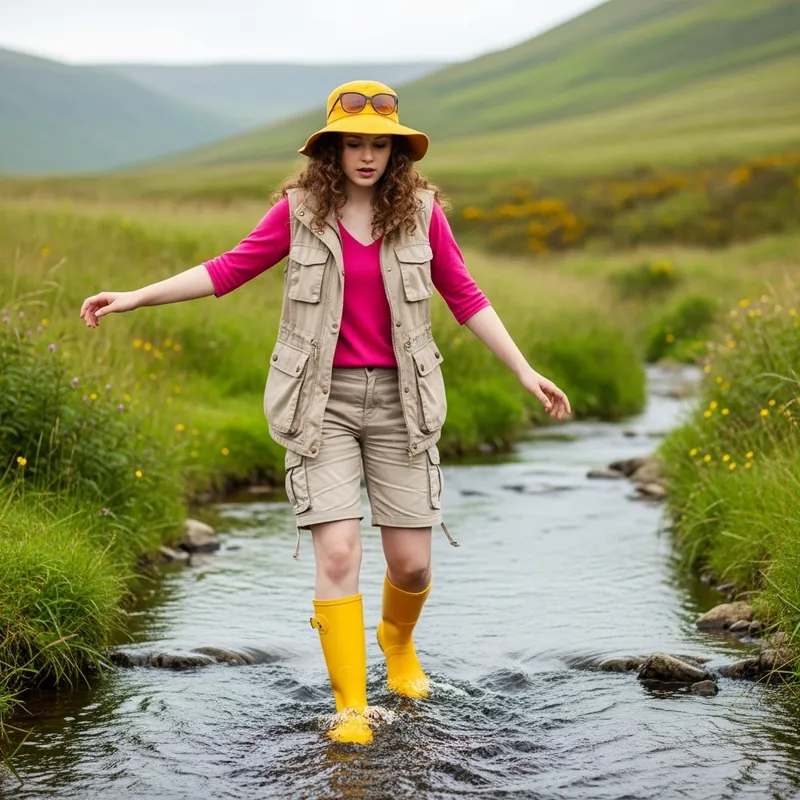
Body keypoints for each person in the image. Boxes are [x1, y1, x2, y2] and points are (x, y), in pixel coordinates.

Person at [79, 79, 571, 746]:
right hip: (321, 404)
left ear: (397, 153)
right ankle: (351, 708)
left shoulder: (423, 212)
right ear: (330, 148)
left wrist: (523, 368)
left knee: (412, 566)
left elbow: (464, 293)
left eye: (379, 144)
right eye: (353, 143)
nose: (366, 156)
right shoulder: (299, 210)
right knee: (338, 552)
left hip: (403, 403)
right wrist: (136, 297)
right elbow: (228, 269)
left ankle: (398, 646)